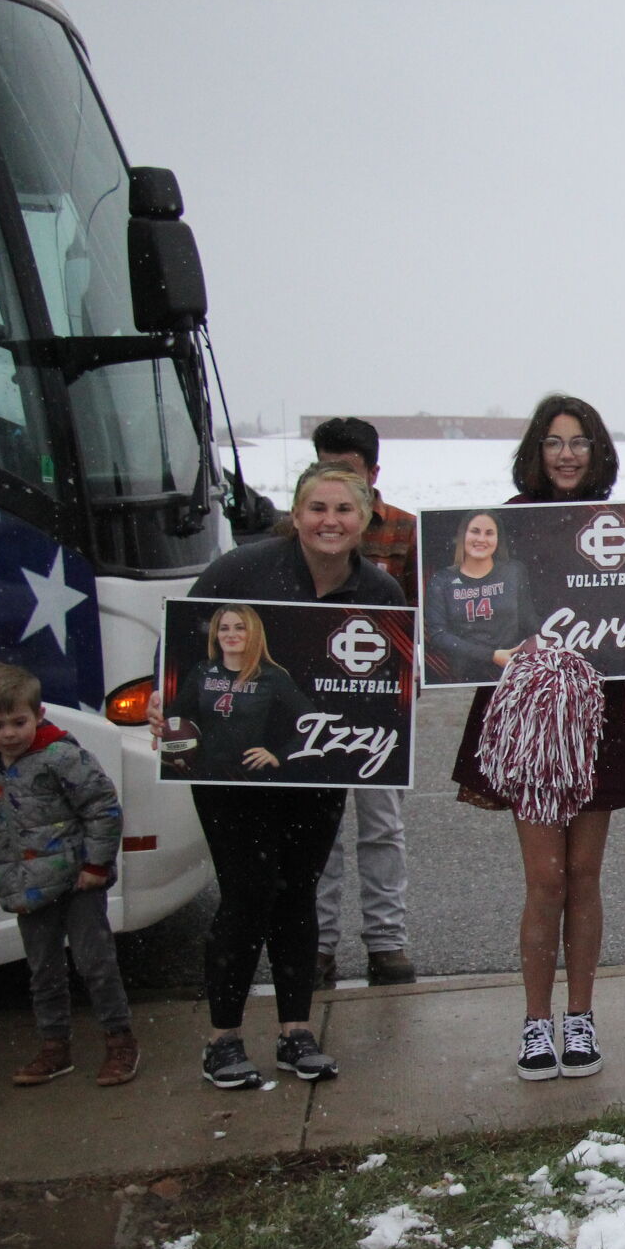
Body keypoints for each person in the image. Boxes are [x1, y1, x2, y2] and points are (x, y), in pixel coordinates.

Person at [148, 461, 407, 1089]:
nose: (330, 521)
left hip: (316, 771)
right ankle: (223, 1038)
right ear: (296, 515)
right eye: (317, 508)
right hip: (227, 771)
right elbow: (180, 643)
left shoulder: (380, 593)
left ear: (366, 518)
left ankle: (296, 1031)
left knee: (298, 894)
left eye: (344, 510)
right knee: (246, 893)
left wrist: (397, 705)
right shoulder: (242, 570)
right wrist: (163, 696)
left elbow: (390, 691)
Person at [450, 394, 625, 1081]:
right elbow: (464, 600)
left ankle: (581, 1015)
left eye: (579, 441)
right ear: (535, 451)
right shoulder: (503, 525)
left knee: (583, 874)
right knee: (544, 879)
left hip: (597, 710)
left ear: (597, 450)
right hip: (529, 714)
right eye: (554, 441)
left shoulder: (623, 526)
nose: (567, 453)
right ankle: (535, 1022)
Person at [0, 663, 136, 1088]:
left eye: (18, 722)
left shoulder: (60, 755)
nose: (9, 732)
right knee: (42, 971)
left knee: (94, 964)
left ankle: (120, 1042)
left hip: (78, 881)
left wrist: (95, 866)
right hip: (26, 890)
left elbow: (102, 807)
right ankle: (54, 1047)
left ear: (39, 714)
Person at [308, 418, 419, 988]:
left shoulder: (404, 530)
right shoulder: (298, 532)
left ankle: (385, 941)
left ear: (373, 474)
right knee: (318, 830)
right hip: (314, 707)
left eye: (347, 475)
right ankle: (318, 945)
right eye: (324, 471)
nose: (336, 491)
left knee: (381, 824)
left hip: (381, 708)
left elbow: (430, 614)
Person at [163, 604, 312, 782]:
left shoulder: (271, 675)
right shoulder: (203, 671)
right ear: (216, 635)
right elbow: (172, 714)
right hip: (206, 773)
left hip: (252, 776)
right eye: (224, 628)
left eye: (240, 628)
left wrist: (279, 756)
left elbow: (312, 721)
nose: (231, 634)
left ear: (253, 633)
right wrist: (168, 740)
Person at [422, 510, 538, 683]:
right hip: (462, 676)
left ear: (498, 539)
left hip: (512, 672)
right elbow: (438, 635)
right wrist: (490, 655)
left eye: (489, 533)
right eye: (475, 531)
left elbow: (529, 620)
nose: (481, 539)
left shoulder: (513, 571)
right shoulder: (441, 580)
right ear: (463, 535)